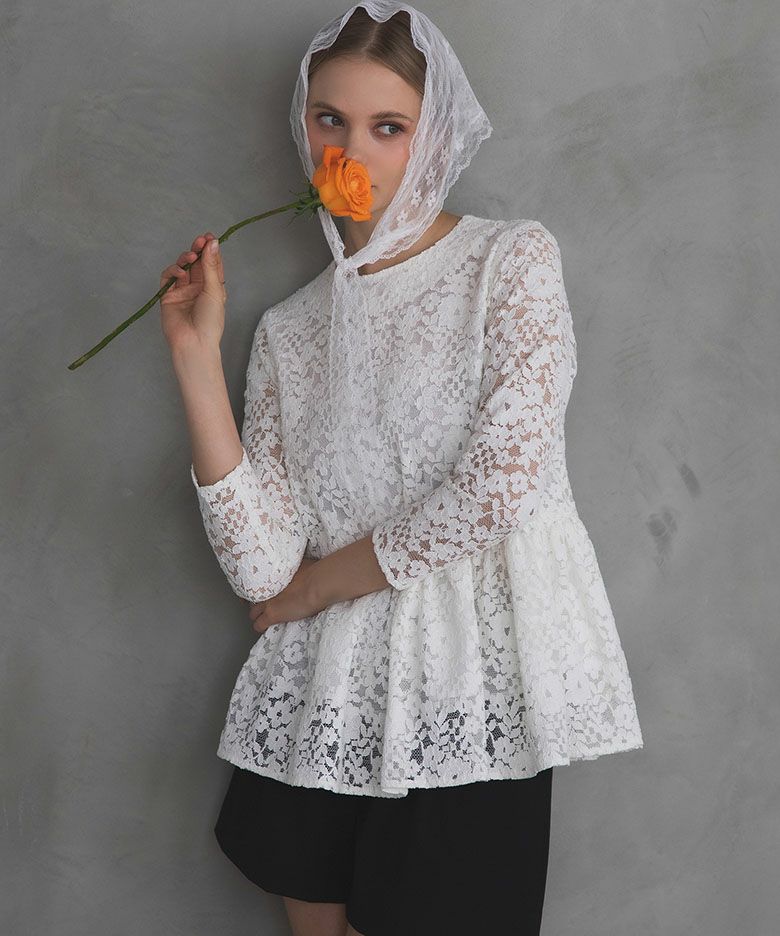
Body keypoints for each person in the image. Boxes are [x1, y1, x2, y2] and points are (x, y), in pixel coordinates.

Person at [161, 3, 644, 935]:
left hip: (470, 690)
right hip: (326, 699)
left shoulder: (511, 262)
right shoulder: (290, 331)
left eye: (390, 126)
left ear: (438, 135)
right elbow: (261, 569)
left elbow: (500, 485)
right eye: (330, 120)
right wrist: (195, 358)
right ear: (304, 127)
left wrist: (316, 588)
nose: (354, 152)